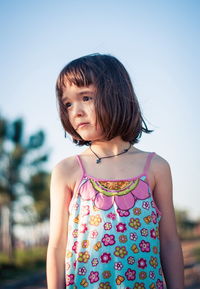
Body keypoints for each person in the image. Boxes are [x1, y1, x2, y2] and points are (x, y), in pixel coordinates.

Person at [46, 54, 184, 289]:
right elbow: (57, 246)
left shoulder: (156, 167)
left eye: (86, 97)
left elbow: (169, 241)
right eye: (68, 104)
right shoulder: (66, 171)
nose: (75, 111)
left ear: (117, 96)